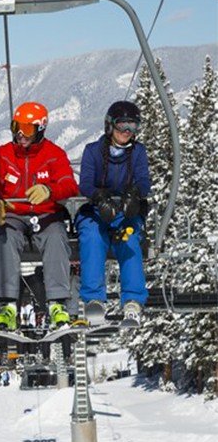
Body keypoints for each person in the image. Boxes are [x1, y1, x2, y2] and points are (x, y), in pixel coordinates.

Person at [0, 101, 79, 331]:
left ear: (40, 129)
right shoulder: (3, 154)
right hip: (14, 215)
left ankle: (57, 302)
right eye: (17, 127)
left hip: (45, 215)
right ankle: (7, 304)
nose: (21, 134)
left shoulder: (53, 154)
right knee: (1, 236)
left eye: (28, 129)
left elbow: (69, 184)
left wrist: (49, 191)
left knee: (56, 238)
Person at [77, 100, 150, 323]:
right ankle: (94, 299)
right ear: (110, 126)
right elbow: (86, 183)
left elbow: (144, 180)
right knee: (92, 238)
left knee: (128, 241)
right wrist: (99, 197)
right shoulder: (93, 151)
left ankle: (133, 299)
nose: (127, 132)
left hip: (125, 212)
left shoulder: (137, 152)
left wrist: (135, 194)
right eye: (122, 126)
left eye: (132, 127)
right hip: (96, 212)